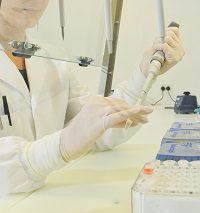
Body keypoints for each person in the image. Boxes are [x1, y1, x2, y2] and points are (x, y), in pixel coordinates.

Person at [0, 0, 185, 194]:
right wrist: (60, 147)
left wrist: (143, 73)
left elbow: (97, 132)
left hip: (49, 201)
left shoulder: (51, 59)